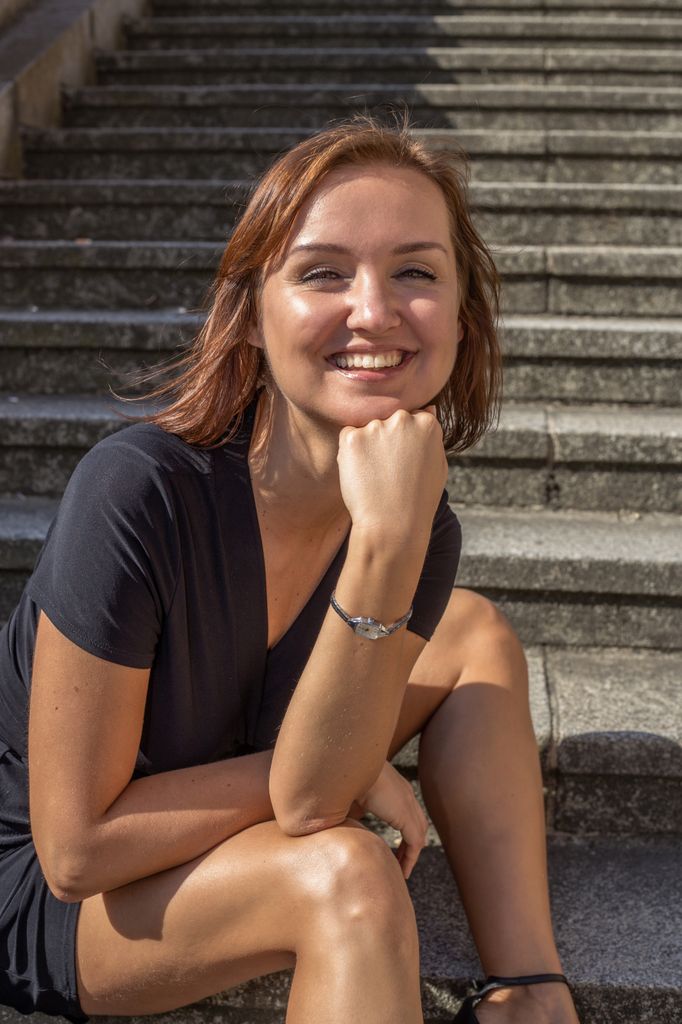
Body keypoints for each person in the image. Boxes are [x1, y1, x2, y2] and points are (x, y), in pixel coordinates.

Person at [0, 116, 580, 1024]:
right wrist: (341, 768)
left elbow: (314, 789)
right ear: (252, 314)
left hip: (233, 802)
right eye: (322, 272)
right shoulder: (138, 490)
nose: (375, 311)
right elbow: (77, 848)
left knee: (475, 635)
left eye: (416, 273)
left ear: (462, 325)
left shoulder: (418, 522)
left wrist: (391, 543)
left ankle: (529, 993)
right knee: (346, 872)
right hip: (56, 893)